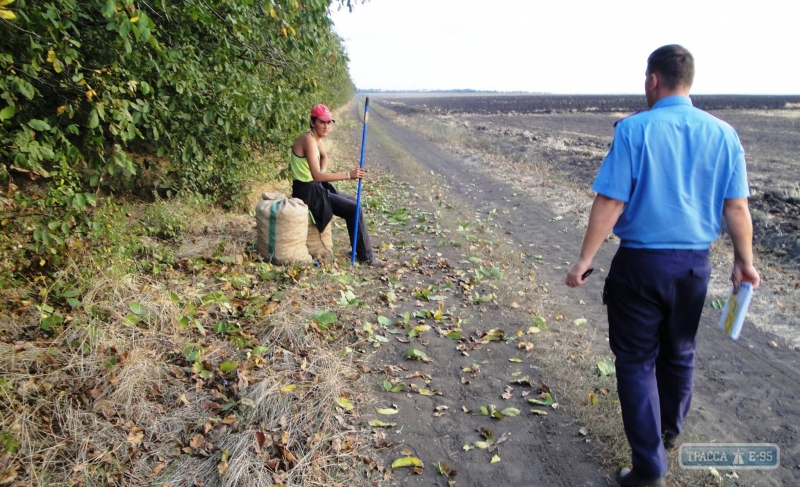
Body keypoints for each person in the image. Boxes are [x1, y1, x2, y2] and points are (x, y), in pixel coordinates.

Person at [565, 45, 760, 487]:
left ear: (653, 80)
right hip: (694, 267)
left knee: (635, 362)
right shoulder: (725, 134)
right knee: (680, 352)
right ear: (687, 80)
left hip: (641, 267)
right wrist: (744, 263)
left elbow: (612, 200)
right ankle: (669, 430)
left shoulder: (634, 130)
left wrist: (584, 260)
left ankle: (650, 467)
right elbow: (737, 209)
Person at [290, 104, 385, 267]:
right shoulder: (308, 139)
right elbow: (317, 176)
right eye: (322, 122)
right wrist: (349, 175)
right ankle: (367, 257)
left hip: (315, 186)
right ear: (312, 122)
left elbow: (324, 158)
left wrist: (322, 168)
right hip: (306, 191)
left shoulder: (316, 138)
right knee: (353, 209)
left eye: (329, 122)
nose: (326, 126)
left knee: (354, 203)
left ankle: (358, 249)